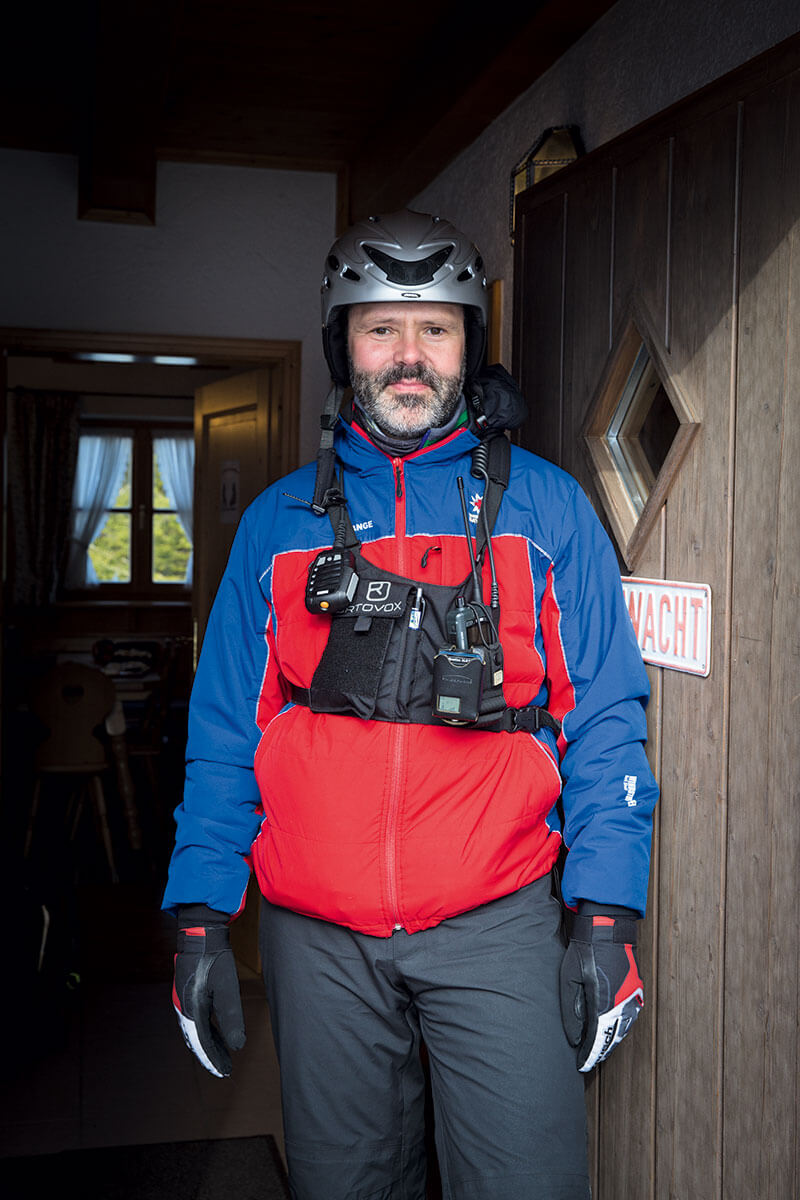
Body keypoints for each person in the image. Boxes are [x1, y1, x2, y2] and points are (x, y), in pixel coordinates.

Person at [164, 209, 658, 1200]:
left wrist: (605, 912)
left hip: (497, 919)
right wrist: (200, 915)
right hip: (317, 939)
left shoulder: (548, 510)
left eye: (434, 329)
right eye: (379, 327)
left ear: (469, 345)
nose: (406, 356)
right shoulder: (275, 526)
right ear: (340, 343)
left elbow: (605, 718)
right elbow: (224, 732)